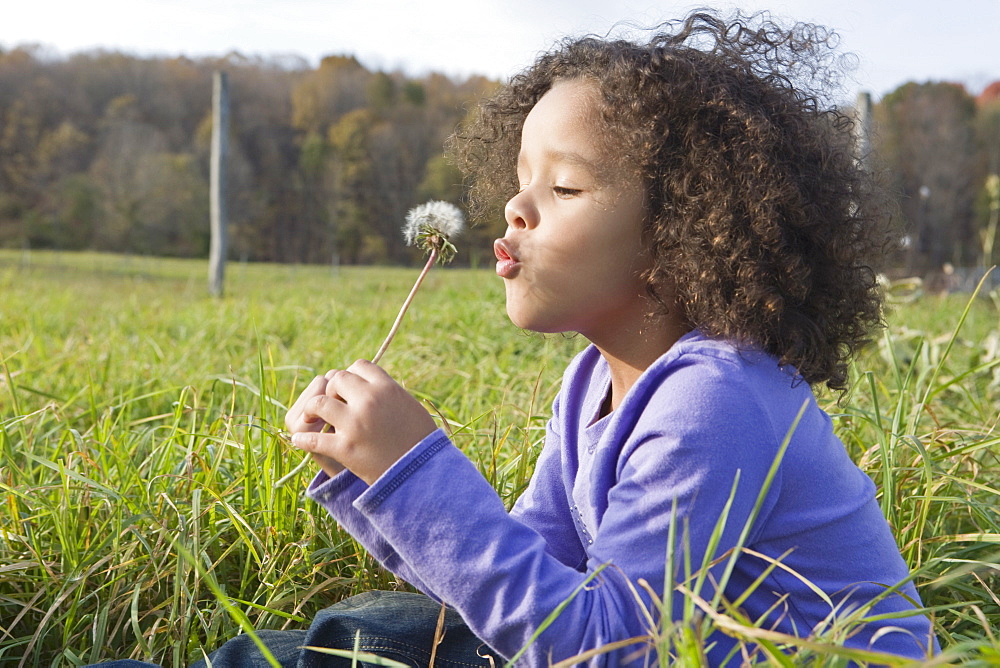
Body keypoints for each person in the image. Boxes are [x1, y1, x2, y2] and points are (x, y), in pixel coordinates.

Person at [88, 9, 937, 668]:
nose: (516, 207)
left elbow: (601, 649)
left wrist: (414, 470)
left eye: (563, 186)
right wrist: (374, 478)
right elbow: (516, 585)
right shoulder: (592, 385)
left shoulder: (715, 397)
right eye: (520, 178)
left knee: (374, 642)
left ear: (682, 233)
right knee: (379, 633)